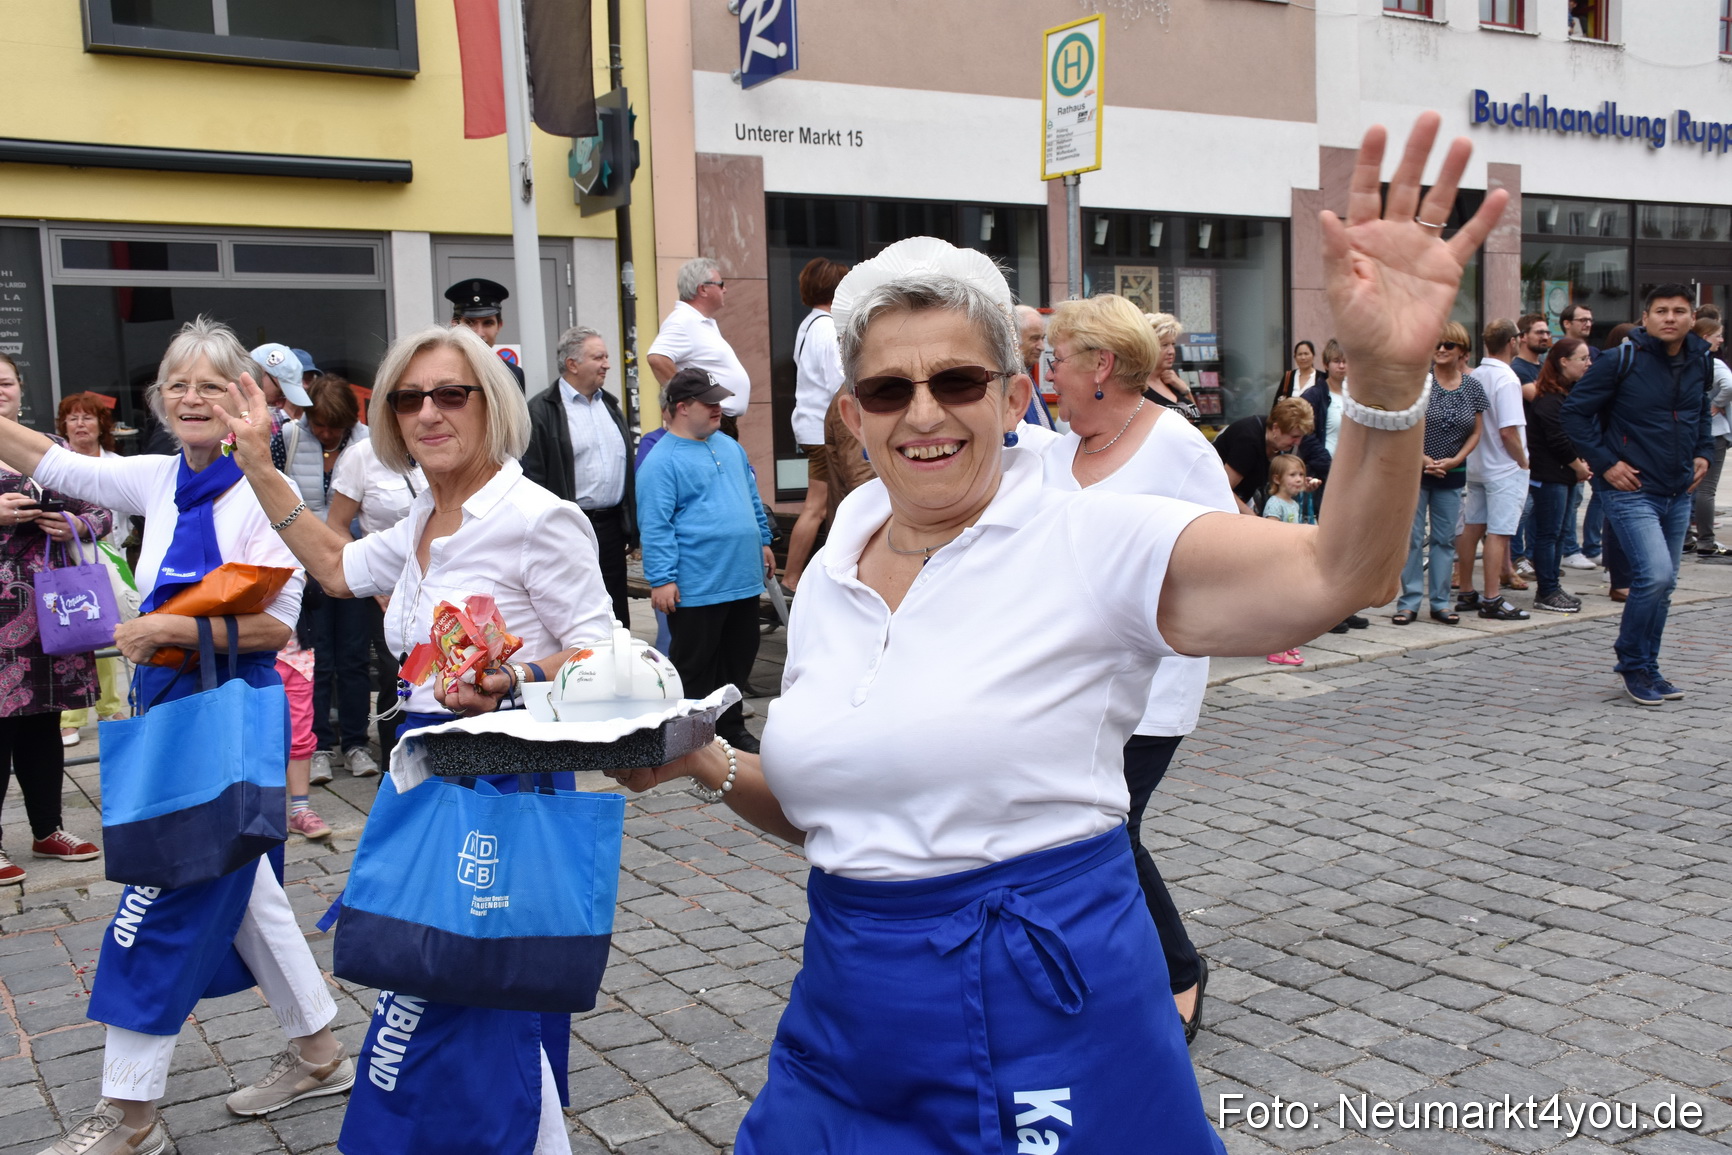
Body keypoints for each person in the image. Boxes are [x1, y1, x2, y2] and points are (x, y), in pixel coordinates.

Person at [605, 115, 1508, 1152]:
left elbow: (1342, 572)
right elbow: (843, 813)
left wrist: (1384, 386)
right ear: (853, 416)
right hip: (850, 1019)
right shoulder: (838, 568)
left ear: (1011, 396)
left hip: (1042, 1004)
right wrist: (707, 762)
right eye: (890, 390)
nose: (922, 414)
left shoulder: (1088, 537)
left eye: (956, 381)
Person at [213, 323, 614, 1155]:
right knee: (444, 987)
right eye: (408, 398)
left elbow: (604, 654)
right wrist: (259, 466)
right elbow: (336, 568)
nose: (428, 412)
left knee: (477, 998)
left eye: (450, 394)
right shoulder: (427, 515)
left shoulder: (538, 518)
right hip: (428, 780)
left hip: (503, 783)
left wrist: (514, 676)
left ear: (490, 404)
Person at [4, 318, 348, 1155]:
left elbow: (277, 626)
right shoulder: (159, 477)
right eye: (178, 384)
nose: (193, 398)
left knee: (155, 903)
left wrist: (165, 629)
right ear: (159, 399)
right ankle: (319, 1052)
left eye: (212, 384)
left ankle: (130, 1116)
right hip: (169, 713)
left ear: (246, 398)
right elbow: (53, 461)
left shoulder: (260, 491)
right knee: (248, 893)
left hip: (226, 723)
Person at [1039, 293, 1237, 1041]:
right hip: (1068, 683)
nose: (1048, 372)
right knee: (1072, 828)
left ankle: (1178, 969)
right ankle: (1101, 968)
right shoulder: (1055, 451)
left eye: (1058, 358)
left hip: (1151, 684)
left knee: (1109, 830)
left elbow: (1224, 561)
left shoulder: (1176, 446)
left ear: (1102, 365)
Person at [1562, 284, 1715, 705]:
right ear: (1645, 318)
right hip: (1629, 489)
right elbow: (1574, 413)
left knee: (1664, 585)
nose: (1670, 318)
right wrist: (1606, 463)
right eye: (1661, 311)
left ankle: (1648, 666)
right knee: (1656, 576)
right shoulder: (1620, 359)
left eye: (1679, 311)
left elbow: (1700, 411)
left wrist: (1703, 452)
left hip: (1677, 489)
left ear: (1692, 317)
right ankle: (1631, 663)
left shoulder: (1700, 359)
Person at [0, 361, 110, 888]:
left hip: (51, 611)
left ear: (21, 389)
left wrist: (74, 523)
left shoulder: (50, 449)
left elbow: (103, 509)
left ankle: (48, 829)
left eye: (5, 382)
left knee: (44, 723)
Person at [636, 369, 776, 754]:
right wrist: (662, 579)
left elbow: (751, 497)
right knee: (695, 668)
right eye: (709, 403)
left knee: (738, 660)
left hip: (741, 579)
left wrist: (763, 540)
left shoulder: (729, 446)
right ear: (682, 407)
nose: (719, 409)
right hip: (698, 586)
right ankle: (691, 740)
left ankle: (730, 728)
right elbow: (655, 524)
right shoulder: (661, 461)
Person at [279, 375, 376, 785]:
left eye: (335, 427)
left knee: (354, 657)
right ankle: (316, 745)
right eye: (319, 425)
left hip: (353, 560)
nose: (326, 434)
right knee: (314, 660)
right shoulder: (288, 438)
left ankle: (355, 742)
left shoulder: (369, 443)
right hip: (304, 565)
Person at [522, 325, 636, 627]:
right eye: (598, 357)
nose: (607, 364)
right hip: (568, 528)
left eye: (606, 357)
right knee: (574, 609)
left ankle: (618, 655)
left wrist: (630, 526)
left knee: (615, 611)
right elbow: (533, 478)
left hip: (611, 529)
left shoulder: (610, 405)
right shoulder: (541, 411)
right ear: (572, 364)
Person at [325, 436, 425, 762]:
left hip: (443, 582)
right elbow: (337, 525)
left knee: (444, 675)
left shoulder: (443, 444)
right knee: (398, 676)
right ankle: (394, 770)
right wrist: (374, 581)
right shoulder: (363, 455)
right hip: (388, 591)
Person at [1393, 323, 1486, 625]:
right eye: (1437, 344)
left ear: (1462, 351)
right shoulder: (1419, 383)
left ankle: (1441, 603)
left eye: (1449, 345)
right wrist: (1422, 459)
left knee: (1445, 540)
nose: (1442, 349)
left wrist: (1455, 459)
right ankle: (1408, 603)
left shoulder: (1473, 387)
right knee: (1412, 539)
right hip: (1415, 472)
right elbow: (1405, 424)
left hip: (1452, 473)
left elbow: (1476, 432)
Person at [56, 392, 131, 745]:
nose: (80, 424)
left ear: (102, 424)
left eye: (87, 417)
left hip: (110, 558)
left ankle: (109, 706)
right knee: (71, 631)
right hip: (64, 560)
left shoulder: (118, 464)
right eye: (72, 418)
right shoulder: (55, 463)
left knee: (106, 632)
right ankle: (69, 716)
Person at [1454, 318, 1531, 621]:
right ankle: (1491, 598)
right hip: (1502, 467)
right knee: (1499, 532)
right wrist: (1522, 460)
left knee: (1472, 526)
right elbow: (1508, 431)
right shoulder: (1507, 378)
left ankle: (1467, 590)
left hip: (1477, 464)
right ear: (1513, 342)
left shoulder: (1476, 375)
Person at [784, 259, 851, 591]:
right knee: (819, 506)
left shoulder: (809, 324)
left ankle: (796, 576)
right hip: (823, 429)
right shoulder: (827, 328)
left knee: (819, 505)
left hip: (810, 426)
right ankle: (794, 577)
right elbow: (839, 381)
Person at [1525, 338, 1595, 614]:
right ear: (1564, 362)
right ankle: (1546, 590)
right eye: (1582, 358)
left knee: (1557, 533)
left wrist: (1580, 462)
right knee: (1549, 534)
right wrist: (1578, 466)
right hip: (1550, 475)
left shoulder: (1566, 393)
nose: (1588, 363)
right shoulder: (1549, 399)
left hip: (1563, 474)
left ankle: (1552, 586)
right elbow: (1558, 441)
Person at [646, 258, 751, 439]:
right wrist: (690, 400)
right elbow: (657, 359)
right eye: (720, 284)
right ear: (703, 289)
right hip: (707, 420)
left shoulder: (699, 322)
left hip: (717, 418)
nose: (725, 289)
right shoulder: (683, 320)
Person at [1212, 398, 1315, 515]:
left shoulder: (1279, 442)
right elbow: (1223, 487)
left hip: (1241, 498)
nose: (1298, 442)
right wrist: (1253, 517)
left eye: (1301, 437)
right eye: (1294, 437)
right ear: (1275, 428)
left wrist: (1300, 483)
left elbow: (1276, 480)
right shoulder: (1248, 440)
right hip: (1213, 500)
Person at [1688, 316, 1732, 562]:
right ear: (1705, 337)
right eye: (1718, 335)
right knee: (1706, 489)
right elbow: (1730, 385)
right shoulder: (1712, 363)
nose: (1721, 340)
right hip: (1711, 433)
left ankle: (1686, 538)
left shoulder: (1688, 361)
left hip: (1692, 431)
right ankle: (1706, 541)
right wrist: (1715, 404)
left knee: (1688, 487)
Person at [1262, 454, 1312, 667]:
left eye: (1301, 474)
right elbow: (1271, 533)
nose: (1299, 479)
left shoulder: (1293, 503)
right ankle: (1275, 651)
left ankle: (1285, 643)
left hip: (1291, 562)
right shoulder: (1275, 504)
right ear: (1277, 479)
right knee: (1279, 609)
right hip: (1277, 564)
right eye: (1293, 475)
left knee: (1290, 607)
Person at [445, 277, 526, 389]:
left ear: (499, 326)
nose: (479, 333)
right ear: (455, 324)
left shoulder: (513, 374)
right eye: (470, 323)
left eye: (488, 323)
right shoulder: (438, 370)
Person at [1298, 337, 1349, 484]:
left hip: (1353, 473)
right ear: (1326, 364)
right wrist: (1328, 465)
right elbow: (1305, 436)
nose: (1341, 366)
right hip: (1324, 475)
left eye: (1345, 361)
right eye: (1336, 361)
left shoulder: (1358, 396)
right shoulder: (1313, 396)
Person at [1144, 312, 1202, 423]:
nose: (1172, 351)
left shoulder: (1172, 381)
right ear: (1148, 346)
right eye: (1165, 345)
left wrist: (1185, 390)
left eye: (1173, 344)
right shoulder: (1137, 387)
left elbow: (1195, 418)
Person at [1013, 304, 1058, 430]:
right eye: (1034, 339)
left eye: (1042, 338)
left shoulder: (1026, 376)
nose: (1042, 347)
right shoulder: (1009, 384)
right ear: (1013, 339)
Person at [1510, 312, 1551, 385]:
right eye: (1540, 332)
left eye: (1547, 333)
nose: (1545, 337)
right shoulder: (1517, 370)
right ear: (1523, 336)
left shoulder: (1544, 365)